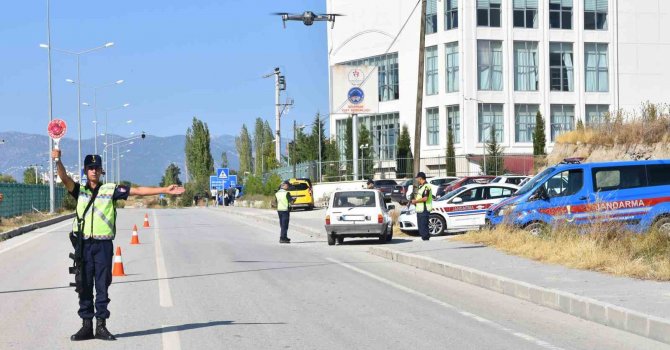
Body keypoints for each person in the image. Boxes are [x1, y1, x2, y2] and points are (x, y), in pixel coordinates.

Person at [52, 149, 184, 342]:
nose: (94, 171)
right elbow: (63, 177)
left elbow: (137, 191)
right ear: (85, 171)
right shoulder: (79, 191)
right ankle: (86, 326)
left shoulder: (110, 190)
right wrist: (58, 160)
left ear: (101, 171)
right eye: (90, 168)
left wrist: (164, 190)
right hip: (84, 246)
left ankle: (101, 326)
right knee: (84, 285)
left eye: (97, 168)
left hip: (103, 245)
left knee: (102, 286)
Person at [410, 172, 433, 241]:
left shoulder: (427, 186)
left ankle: (426, 242)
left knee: (424, 228)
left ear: (420, 178)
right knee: (421, 228)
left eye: (417, 178)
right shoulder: (421, 187)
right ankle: (424, 240)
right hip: (420, 210)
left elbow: (425, 198)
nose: (417, 180)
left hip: (424, 210)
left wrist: (415, 201)